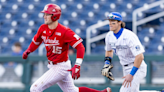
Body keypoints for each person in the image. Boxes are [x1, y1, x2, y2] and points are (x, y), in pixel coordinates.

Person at [22, 4, 111, 92]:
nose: (44, 16)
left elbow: (80, 47)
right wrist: (28, 51)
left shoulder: (64, 31)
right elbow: (36, 42)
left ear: (54, 16)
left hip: (60, 67)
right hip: (53, 65)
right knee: (72, 91)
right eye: (44, 14)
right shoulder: (42, 28)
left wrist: (77, 65)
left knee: (35, 88)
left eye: (47, 14)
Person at [101, 12, 147, 92]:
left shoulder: (129, 36)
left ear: (120, 23)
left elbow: (140, 56)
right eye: (109, 21)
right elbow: (109, 50)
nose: (110, 23)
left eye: (113, 21)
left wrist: (131, 74)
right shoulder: (109, 36)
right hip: (125, 68)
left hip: (137, 67)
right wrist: (107, 64)